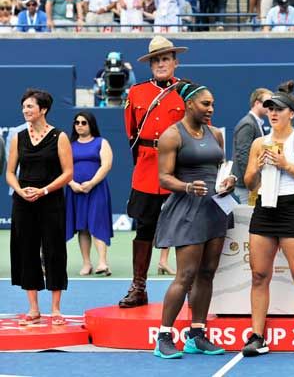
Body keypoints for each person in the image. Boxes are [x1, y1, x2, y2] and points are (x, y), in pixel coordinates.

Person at [241, 81, 294, 359]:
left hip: (292, 209)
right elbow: (249, 182)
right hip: (264, 209)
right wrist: (261, 166)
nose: (273, 113)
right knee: (259, 275)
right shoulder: (258, 143)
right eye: (270, 109)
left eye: (279, 109)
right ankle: (257, 336)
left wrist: (286, 165)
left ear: (291, 113)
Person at [153, 81, 235, 359]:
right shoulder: (171, 136)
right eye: (205, 104)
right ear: (189, 104)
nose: (211, 109)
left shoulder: (216, 134)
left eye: (212, 104)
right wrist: (187, 187)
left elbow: (219, 169)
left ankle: (196, 334)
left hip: (215, 209)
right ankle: (164, 336)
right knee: (185, 275)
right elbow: (163, 177)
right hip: (187, 210)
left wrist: (229, 181)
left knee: (207, 273)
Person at [119, 36, 187, 309]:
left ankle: (189, 287)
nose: (161, 64)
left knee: (186, 231)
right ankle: (139, 287)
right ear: (150, 65)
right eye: (156, 60)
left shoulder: (188, 91)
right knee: (144, 229)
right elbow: (131, 133)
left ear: (175, 62)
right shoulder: (136, 92)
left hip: (178, 169)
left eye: (166, 59)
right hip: (147, 169)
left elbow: (196, 132)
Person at [6, 89, 73, 326]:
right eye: (24, 107)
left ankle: (55, 309)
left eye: (30, 107)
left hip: (51, 200)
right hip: (23, 202)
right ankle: (33, 308)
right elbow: (10, 172)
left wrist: (44, 190)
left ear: (43, 110)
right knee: (26, 250)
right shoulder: (18, 137)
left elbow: (68, 173)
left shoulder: (59, 137)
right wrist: (20, 190)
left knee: (54, 250)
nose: (26, 111)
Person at [65, 111, 113, 277]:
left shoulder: (101, 142)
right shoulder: (69, 145)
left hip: (97, 190)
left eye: (83, 122)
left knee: (98, 223)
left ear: (91, 124)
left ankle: (102, 262)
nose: (79, 125)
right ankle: (87, 263)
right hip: (75, 191)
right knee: (82, 228)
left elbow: (106, 165)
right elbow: (63, 169)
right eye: (77, 122)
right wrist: (72, 184)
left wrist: (91, 183)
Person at [231, 87, 272, 204]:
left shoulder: (257, 123)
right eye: (267, 103)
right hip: (246, 185)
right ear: (257, 103)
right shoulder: (248, 124)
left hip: (252, 182)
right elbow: (243, 155)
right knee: (248, 220)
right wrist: (251, 182)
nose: (270, 107)